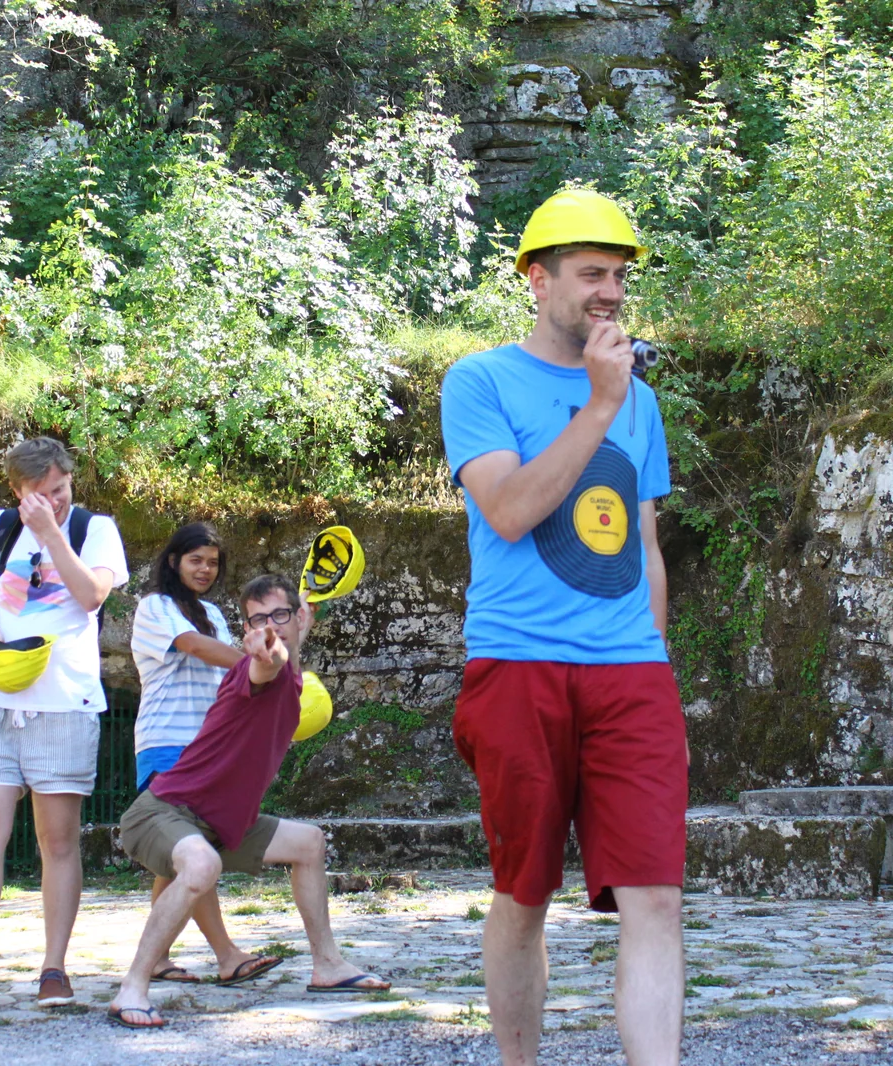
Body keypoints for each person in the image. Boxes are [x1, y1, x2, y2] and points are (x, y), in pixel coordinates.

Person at [439, 188, 688, 1066]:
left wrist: (652, 660)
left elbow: (645, 545)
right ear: (538, 281)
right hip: (518, 666)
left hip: (630, 673)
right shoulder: (479, 381)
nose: (610, 293)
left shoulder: (641, 405)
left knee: (656, 897)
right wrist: (597, 404)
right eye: (591, 275)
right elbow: (507, 510)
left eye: (619, 276)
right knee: (525, 891)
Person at [108, 574, 390, 1030]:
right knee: (201, 867)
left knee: (309, 843)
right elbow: (268, 661)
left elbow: (288, 647)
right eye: (257, 620)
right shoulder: (254, 671)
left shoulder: (295, 673)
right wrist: (268, 650)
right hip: (160, 812)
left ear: (301, 617)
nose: (269, 627)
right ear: (245, 630)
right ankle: (132, 989)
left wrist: (292, 634)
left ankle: (328, 965)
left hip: (220, 824)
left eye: (279, 616)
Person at [0, 437, 129, 1015]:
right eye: (42, 495)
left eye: (61, 490)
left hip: (66, 704)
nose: (55, 501)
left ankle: (54, 968)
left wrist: (50, 534)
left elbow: (93, 595)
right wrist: (0, 641)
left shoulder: (95, 529)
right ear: (18, 491)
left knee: (57, 841)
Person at [130, 523, 278, 986]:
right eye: (196, 559)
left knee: (180, 859)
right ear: (174, 561)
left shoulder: (212, 612)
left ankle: (153, 958)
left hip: (207, 748)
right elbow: (194, 646)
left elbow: (230, 684)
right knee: (194, 853)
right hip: (167, 745)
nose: (205, 569)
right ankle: (227, 954)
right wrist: (256, 660)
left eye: (213, 562)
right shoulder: (155, 606)